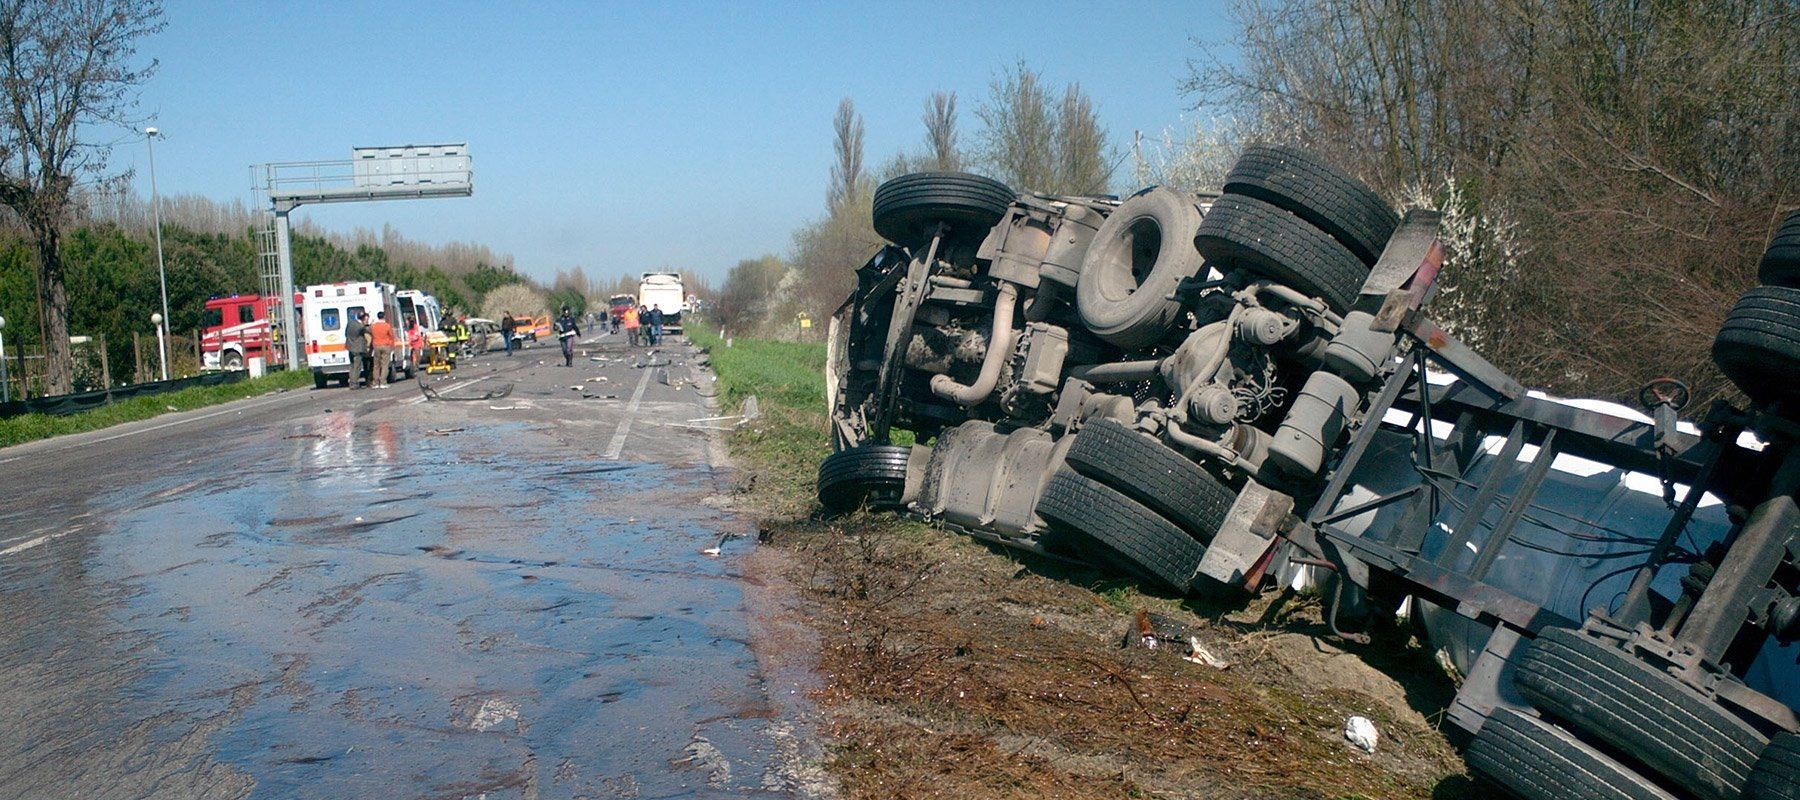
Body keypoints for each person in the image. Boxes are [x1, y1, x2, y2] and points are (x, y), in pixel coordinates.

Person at [368, 311, 396, 388]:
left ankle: (375, 382)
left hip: (376, 345)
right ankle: (383, 382)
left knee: (376, 365)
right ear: (383, 316)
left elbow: (370, 333)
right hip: (385, 345)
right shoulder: (387, 326)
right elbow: (391, 336)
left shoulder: (373, 326)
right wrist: (391, 344)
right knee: (384, 365)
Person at [345, 310, 371, 389]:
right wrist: (369, 324)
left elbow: (345, 333)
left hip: (350, 347)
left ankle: (351, 382)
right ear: (363, 318)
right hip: (358, 349)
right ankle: (354, 383)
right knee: (357, 367)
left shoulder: (350, 323)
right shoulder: (361, 326)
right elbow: (368, 331)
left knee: (352, 366)